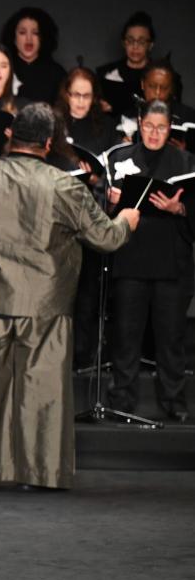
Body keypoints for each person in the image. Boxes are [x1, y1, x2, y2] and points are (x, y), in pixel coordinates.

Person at [0, 103, 139, 490]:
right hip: (45, 304)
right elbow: (106, 238)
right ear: (48, 143)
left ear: (11, 135)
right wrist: (126, 221)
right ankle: (41, 473)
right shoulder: (65, 186)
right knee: (41, 389)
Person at [106, 100, 195, 422]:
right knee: (126, 335)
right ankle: (122, 397)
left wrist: (179, 209)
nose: (154, 133)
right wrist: (111, 202)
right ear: (139, 124)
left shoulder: (186, 162)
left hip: (171, 263)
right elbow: (102, 212)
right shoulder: (120, 158)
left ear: (170, 129)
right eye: (148, 126)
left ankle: (173, 399)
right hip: (130, 258)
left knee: (171, 337)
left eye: (161, 127)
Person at [53, 67, 121, 366]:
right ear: (66, 95)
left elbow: (113, 172)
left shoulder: (104, 127)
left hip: (90, 213)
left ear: (94, 98)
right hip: (57, 215)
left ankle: (82, 354)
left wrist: (95, 178)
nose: (80, 101)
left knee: (87, 289)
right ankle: (55, 352)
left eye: (86, 96)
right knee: (57, 286)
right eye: (75, 95)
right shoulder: (54, 123)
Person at [0, 7, 66, 104]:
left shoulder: (57, 74)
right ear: (13, 37)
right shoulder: (1, 69)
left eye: (35, 33)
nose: (29, 39)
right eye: (22, 33)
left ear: (43, 37)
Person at [97, 12, 157, 118]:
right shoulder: (106, 74)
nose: (135, 46)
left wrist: (115, 107)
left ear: (150, 45)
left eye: (141, 41)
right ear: (123, 43)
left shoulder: (161, 76)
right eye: (130, 40)